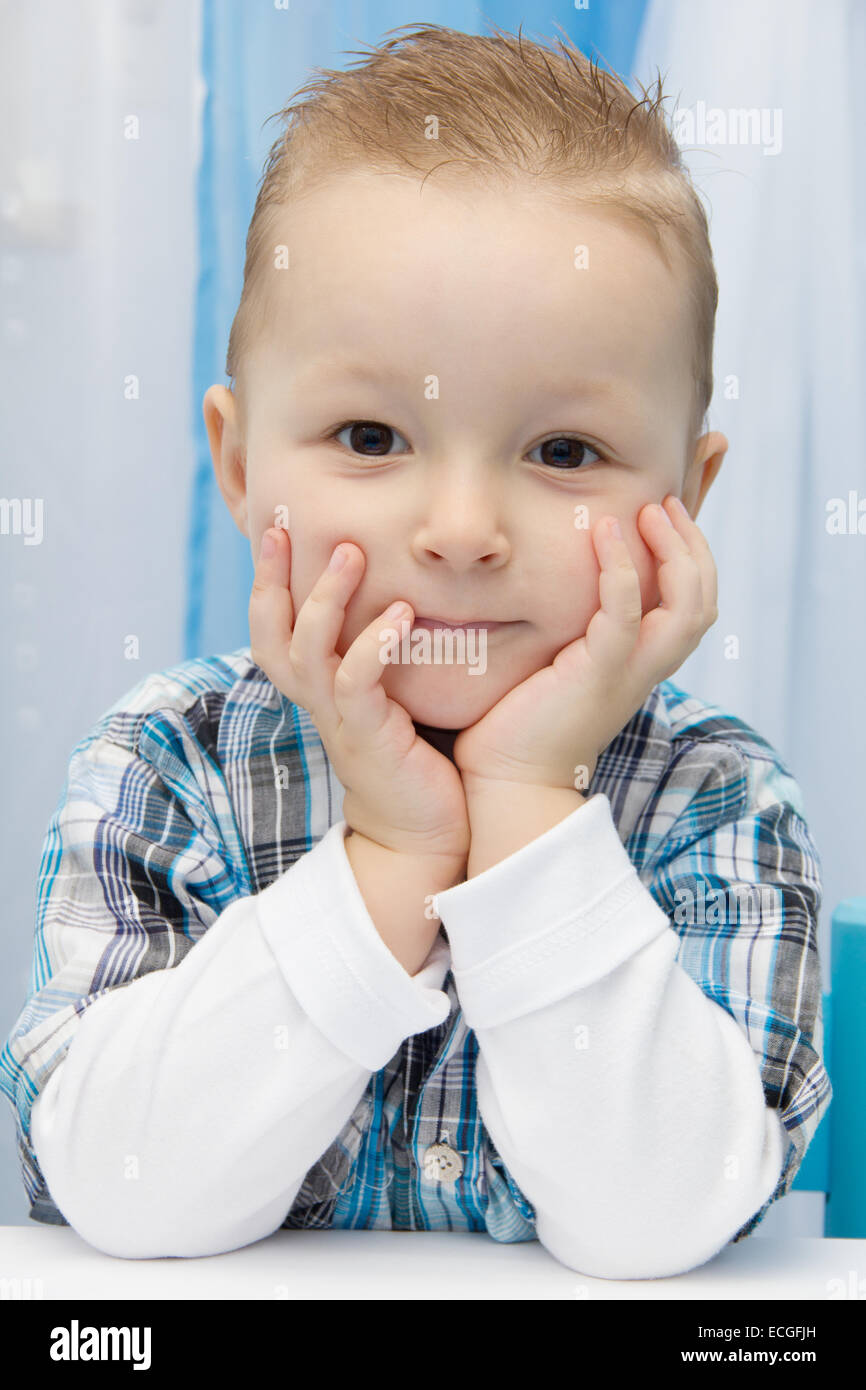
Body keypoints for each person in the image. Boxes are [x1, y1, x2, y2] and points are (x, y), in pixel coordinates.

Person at [0, 23, 829, 1278]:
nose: (458, 533)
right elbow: (121, 1193)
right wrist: (387, 856)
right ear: (235, 464)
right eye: (371, 436)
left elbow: (662, 1224)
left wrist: (526, 804)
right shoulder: (163, 760)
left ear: (685, 494)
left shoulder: (719, 801)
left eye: (561, 453)